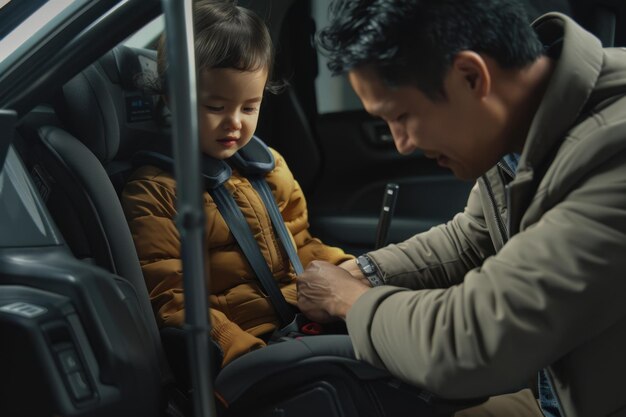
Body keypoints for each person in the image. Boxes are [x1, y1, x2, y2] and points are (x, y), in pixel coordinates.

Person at [296, 0, 626, 416]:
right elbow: (474, 238)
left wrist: (349, 300)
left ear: (471, 77)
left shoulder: (615, 150)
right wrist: (367, 272)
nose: (401, 143)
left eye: (401, 116)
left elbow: (473, 344)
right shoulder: (523, 132)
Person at [121, 0, 352, 368]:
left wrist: (352, 276)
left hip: (302, 326)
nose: (235, 123)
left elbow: (303, 246)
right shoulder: (156, 192)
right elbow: (173, 298)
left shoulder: (270, 166)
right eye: (216, 107)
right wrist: (240, 352)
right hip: (245, 351)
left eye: (249, 107)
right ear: (173, 99)